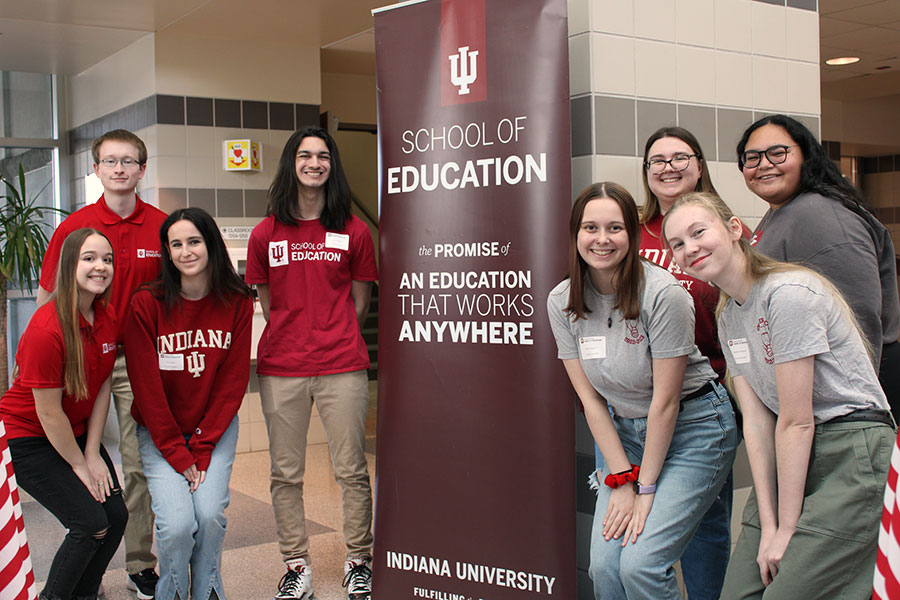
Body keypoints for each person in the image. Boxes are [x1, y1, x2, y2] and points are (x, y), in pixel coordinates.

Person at [663, 191, 895, 599]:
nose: (689, 249)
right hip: (790, 451)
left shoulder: (787, 293)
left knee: (787, 590)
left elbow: (797, 419)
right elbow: (756, 422)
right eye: (677, 244)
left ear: (735, 229)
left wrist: (787, 529)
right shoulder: (729, 315)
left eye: (698, 232)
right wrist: (768, 525)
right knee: (740, 591)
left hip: (850, 445)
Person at [547, 182, 737, 599]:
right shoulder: (562, 301)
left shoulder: (664, 293)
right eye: (590, 227)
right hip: (626, 435)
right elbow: (592, 401)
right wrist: (621, 479)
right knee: (605, 569)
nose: (601, 239)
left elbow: (665, 403)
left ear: (632, 235)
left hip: (695, 428)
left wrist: (644, 488)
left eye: (615, 228)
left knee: (642, 566)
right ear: (575, 233)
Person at [245, 126, 377, 600]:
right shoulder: (265, 234)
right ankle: (296, 564)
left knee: (351, 469)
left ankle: (358, 559)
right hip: (283, 367)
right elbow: (266, 300)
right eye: (305, 156)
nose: (315, 163)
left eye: (323, 156)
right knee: (286, 471)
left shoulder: (354, 231)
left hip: (342, 363)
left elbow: (359, 301)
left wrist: (330, 332)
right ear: (291, 163)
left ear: (332, 165)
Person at [37, 129, 166, 599]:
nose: (118, 169)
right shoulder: (74, 227)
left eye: (128, 161)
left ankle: (138, 564)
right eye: (109, 161)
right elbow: (48, 297)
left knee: (135, 465)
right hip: (83, 357)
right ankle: (84, 539)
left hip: (136, 361)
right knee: (69, 452)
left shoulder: (161, 226)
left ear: (142, 170)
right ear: (96, 169)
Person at [124, 208, 252, 600]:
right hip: (160, 431)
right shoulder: (147, 303)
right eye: (176, 244)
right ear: (167, 251)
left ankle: (208, 589)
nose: (185, 251)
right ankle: (173, 593)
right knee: (178, 524)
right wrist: (179, 453)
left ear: (211, 243)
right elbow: (147, 391)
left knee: (209, 515)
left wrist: (201, 445)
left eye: (194, 241)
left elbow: (232, 384)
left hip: (212, 430)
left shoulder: (237, 301)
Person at [639, 126, 743, 599]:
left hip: (706, 399)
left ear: (700, 166)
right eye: (657, 160)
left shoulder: (726, 231)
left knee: (705, 528)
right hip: (637, 405)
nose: (669, 167)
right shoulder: (630, 232)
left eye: (681, 157)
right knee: (637, 529)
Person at [736, 114, 900, 414]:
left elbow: (860, 320)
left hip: (850, 403)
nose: (763, 164)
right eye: (752, 157)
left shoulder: (824, 217)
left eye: (777, 153)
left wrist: (851, 413)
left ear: (806, 156)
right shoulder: (784, 210)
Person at [3, 228, 127, 600]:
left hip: (73, 432)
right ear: (70, 264)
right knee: (89, 524)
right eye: (89, 258)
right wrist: (79, 465)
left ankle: (86, 594)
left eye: (106, 259)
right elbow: (48, 412)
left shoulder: (107, 316)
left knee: (116, 517)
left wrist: (92, 452)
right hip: (27, 437)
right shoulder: (46, 328)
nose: (100, 267)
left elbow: (103, 385)